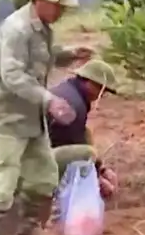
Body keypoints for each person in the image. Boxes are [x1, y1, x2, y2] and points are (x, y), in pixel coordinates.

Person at [0, 0, 93, 235]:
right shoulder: (16, 29)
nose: (61, 12)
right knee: (3, 180)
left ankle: (28, 232)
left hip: (30, 117)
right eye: (59, 5)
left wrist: (68, 55)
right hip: (6, 119)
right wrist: (49, 99)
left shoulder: (40, 27)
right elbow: (13, 74)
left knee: (43, 177)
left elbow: (42, 55)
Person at [46, 58, 121, 199]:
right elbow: (71, 145)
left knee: (85, 134)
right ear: (88, 82)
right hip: (31, 162)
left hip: (36, 150)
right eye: (101, 88)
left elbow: (78, 136)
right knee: (87, 152)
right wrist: (96, 178)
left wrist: (101, 169)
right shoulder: (74, 104)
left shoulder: (67, 91)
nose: (102, 94)